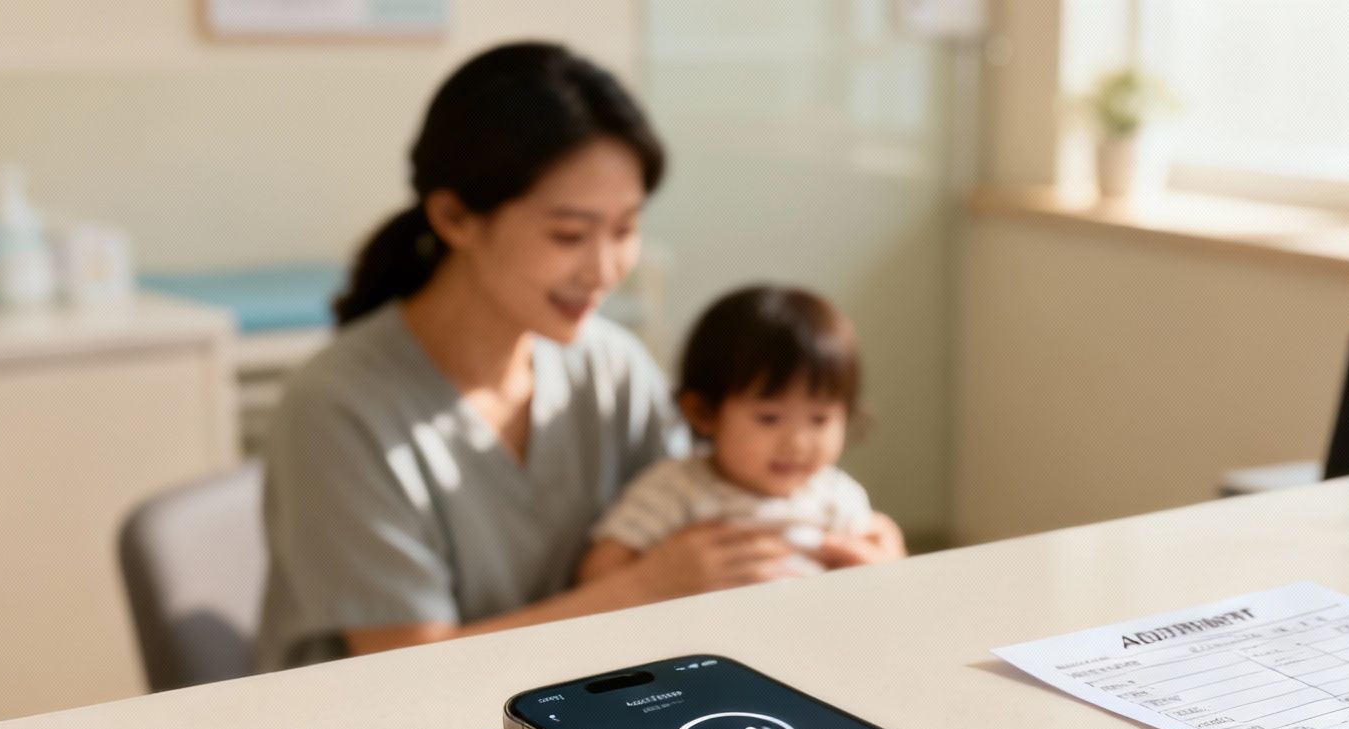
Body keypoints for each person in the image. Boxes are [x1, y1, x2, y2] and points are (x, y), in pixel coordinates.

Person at [256, 43, 815, 671]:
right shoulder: (338, 410)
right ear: (454, 217)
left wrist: (849, 561)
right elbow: (405, 669)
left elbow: (705, 531)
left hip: (578, 711)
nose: (605, 270)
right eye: (569, 235)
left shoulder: (614, 369)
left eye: (626, 229)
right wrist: (640, 589)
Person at [579, 286, 905, 584]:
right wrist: (659, 576)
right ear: (703, 413)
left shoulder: (837, 498)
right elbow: (598, 575)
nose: (798, 443)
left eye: (820, 419)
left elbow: (882, 578)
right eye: (769, 418)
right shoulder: (674, 491)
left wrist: (880, 570)